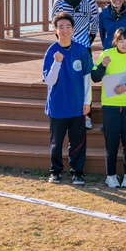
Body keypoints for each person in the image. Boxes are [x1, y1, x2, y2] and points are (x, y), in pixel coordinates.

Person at [42, 12, 92, 186]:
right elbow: (49, 81)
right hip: (57, 105)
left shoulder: (81, 50)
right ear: (55, 30)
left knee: (78, 141)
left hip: (77, 105)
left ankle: (77, 172)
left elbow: (87, 78)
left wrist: (87, 102)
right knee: (56, 142)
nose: (65, 30)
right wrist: (57, 63)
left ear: (73, 29)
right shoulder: (51, 52)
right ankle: (55, 171)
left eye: (68, 27)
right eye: (61, 27)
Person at [90, 28, 126, 189]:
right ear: (115, 42)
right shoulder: (107, 54)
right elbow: (95, 77)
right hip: (110, 106)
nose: (125, 44)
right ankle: (111, 175)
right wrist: (103, 66)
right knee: (111, 142)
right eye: (121, 41)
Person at [50, 0, 99, 129]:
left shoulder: (90, 3)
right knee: (66, 79)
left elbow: (94, 25)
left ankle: (86, 115)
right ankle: (68, 111)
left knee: (84, 82)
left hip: (84, 48)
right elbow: (55, 25)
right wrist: (63, 41)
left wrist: (86, 42)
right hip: (65, 48)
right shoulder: (58, 4)